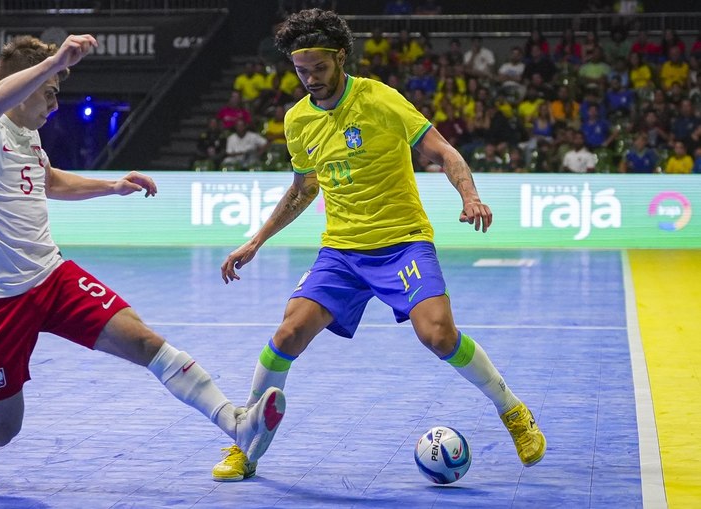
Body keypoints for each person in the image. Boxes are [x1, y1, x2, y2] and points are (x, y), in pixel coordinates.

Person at [0, 34, 286, 483]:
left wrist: (112, 186)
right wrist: (55, 60)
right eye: (50, 92)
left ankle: (235, 422)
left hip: (52, 277)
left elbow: (50, 181)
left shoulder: (29, 135)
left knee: (143, 340)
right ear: (23, 83)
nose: (55, 104)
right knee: (0, 429)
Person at [210, 9, 546, 482]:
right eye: (301, 70)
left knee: (439, 335)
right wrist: (257, 240)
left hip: (402, 243)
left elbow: (443, 152)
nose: (310, 79)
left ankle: (512, 411)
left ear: (340, 58)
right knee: (286, 336)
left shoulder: (380, 99)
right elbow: (303, 189)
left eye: (319, 69)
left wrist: (470, 196)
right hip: (342, 253)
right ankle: (246, 443)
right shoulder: (298, 120)